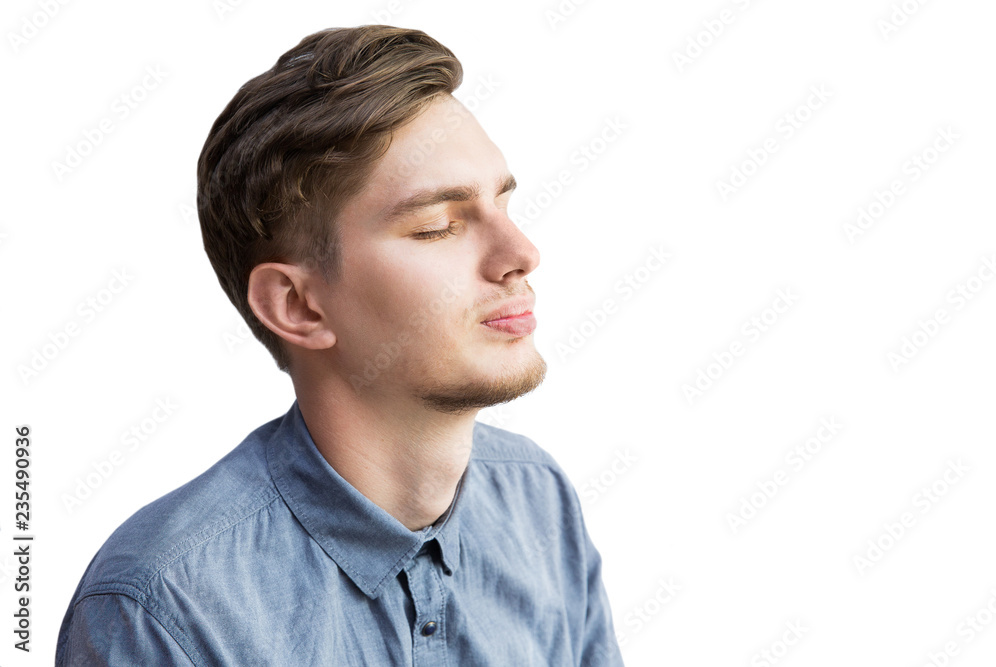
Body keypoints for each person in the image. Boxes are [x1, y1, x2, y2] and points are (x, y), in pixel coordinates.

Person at [56, 25, 624, 666]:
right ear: (297, 305)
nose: (522, 255)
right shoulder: (161, 608)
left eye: (504, 203)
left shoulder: (538, 498)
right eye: (437, 227)